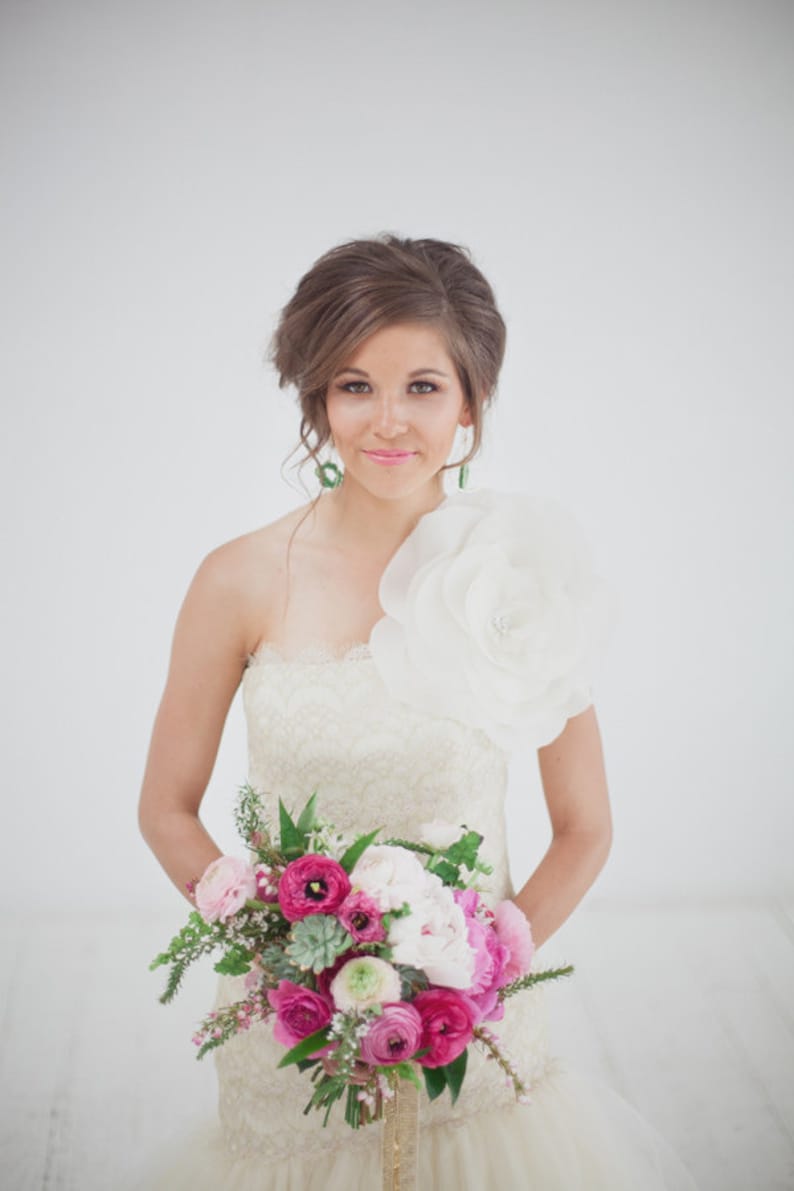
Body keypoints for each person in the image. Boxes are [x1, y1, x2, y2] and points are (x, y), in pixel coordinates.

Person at [138, 234, 697, 1188]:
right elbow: (167, 808)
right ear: (315, 395)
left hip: (473, 1035)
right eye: (354, 386)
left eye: (423, 387)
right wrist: (278, 943)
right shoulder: (237, 579)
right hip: (292, 1023)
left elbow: (585, 824)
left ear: (472, 399)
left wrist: (484, 965)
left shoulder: (520, 579)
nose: (386, 421)